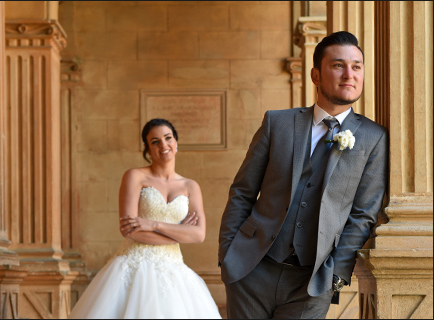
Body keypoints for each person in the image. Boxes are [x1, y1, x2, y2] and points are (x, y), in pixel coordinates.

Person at [218, 31, 388, 319]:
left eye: (356, 66)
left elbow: (363, 215)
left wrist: (334, 277)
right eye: (338, 65)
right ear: (316, 75)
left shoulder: (373, 137)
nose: (349, 74)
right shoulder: (278, 123)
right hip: (251, 270)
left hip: (311, 283)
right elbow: (243, 191)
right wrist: (228, 256)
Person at [69, 118, 222, 319]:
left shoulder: (190, 186)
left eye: (168, 138)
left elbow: (199, 235)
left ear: (176, 142)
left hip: (174, 268)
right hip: (134, 264)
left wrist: (153, 224)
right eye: (155, 141)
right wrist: (179, 233)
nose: (163, 145)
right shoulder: (135, 176)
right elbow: (129, 230)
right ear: (147, 149)